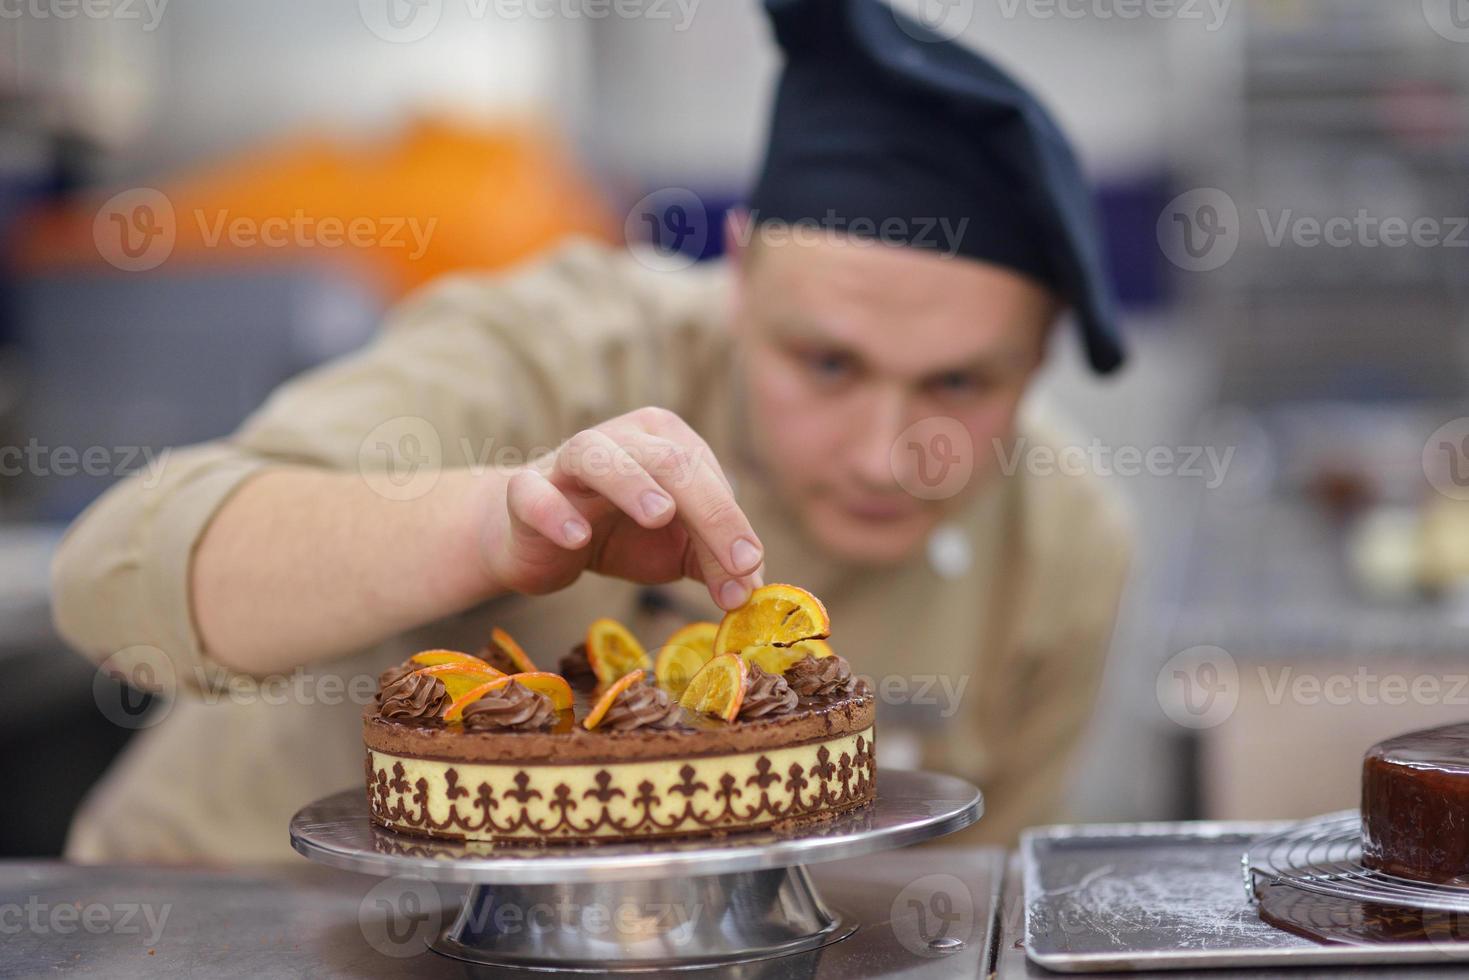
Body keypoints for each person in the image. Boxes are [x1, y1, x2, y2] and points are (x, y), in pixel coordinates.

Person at [51, 0, 1130, 862]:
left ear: (1037, 359)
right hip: (230, 916)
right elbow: (109, 579)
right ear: (740, 274)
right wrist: (484, 526)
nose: (880, 452)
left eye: (958, 383)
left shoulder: (1059, 551)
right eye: (827, 362)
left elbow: (952, 900)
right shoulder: (552, 350)